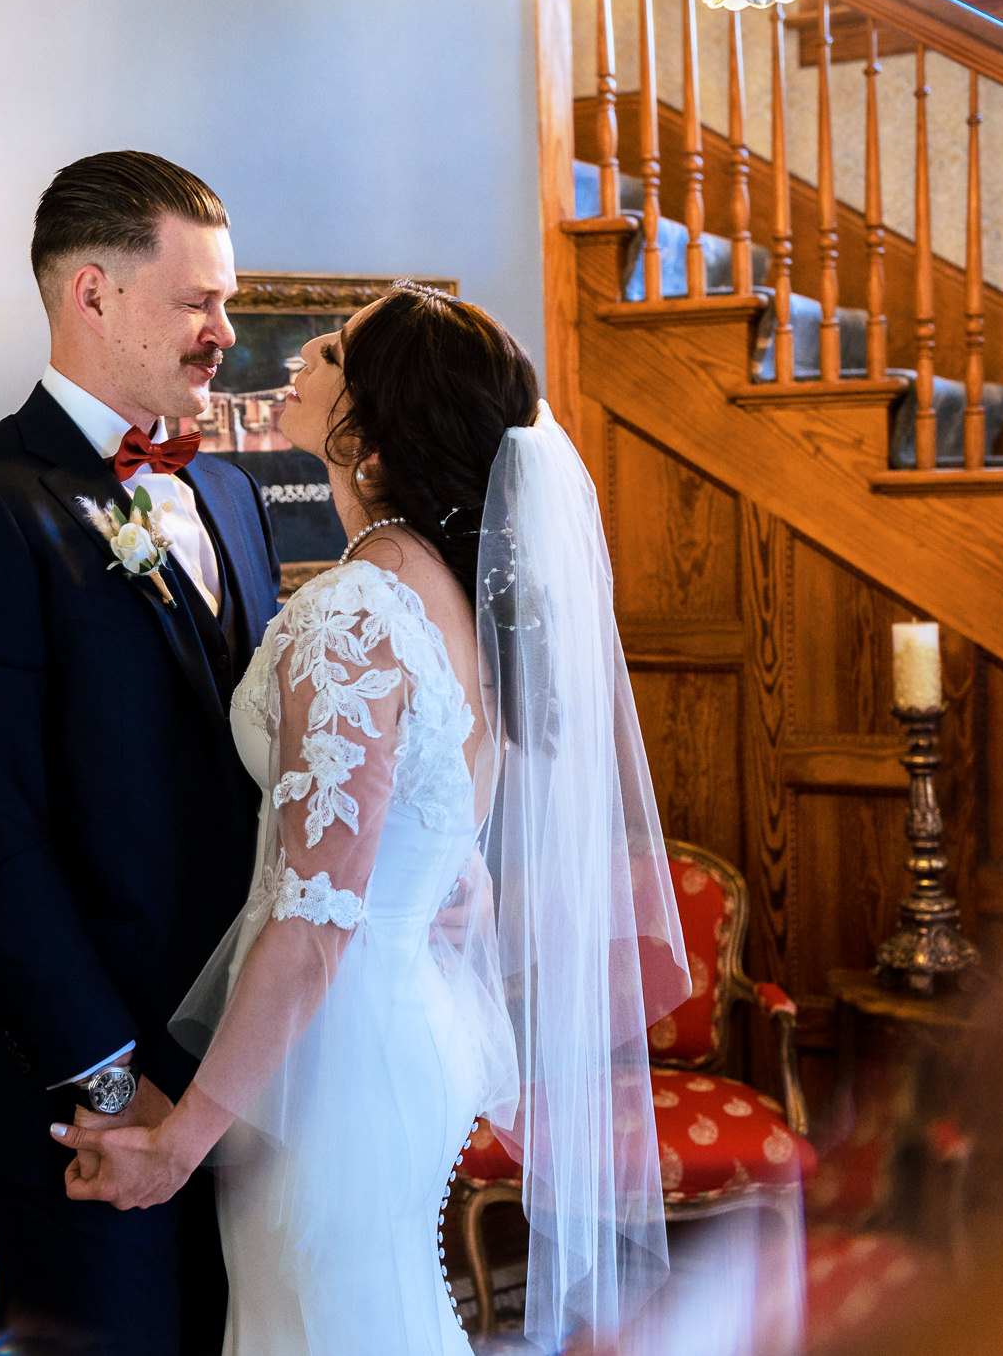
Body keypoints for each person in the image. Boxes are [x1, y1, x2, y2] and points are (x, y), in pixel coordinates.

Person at [54, 283, 694, 1354]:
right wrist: (453, 888)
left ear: (374, 426)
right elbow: (444, 844)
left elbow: (311, 927)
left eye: (338, 349)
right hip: (389, 1031)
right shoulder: (446, 593)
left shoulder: (357, 606)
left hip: (336, 1062)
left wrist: (177, 1142)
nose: (307, 347)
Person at [0, 151, 280, 1355]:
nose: (223, 331)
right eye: (196, 301)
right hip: (80, 1096)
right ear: (90, 294)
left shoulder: (233, 502)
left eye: (228, 300)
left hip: (240, 1085)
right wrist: (113, 1088)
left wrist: (235, 1083)